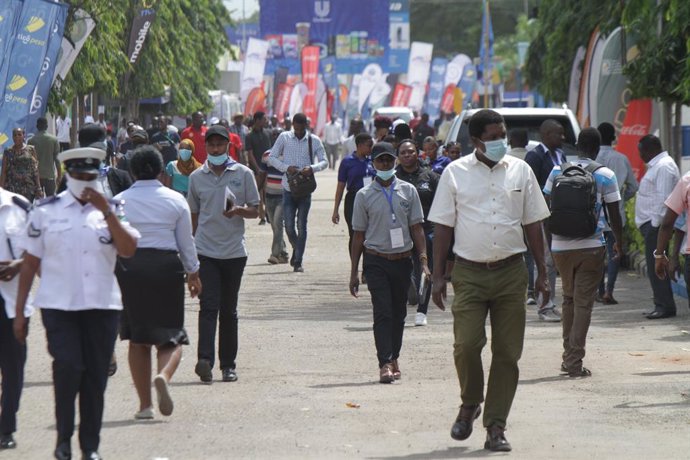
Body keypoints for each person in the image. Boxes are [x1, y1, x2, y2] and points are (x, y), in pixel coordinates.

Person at [428, 109, 551, 452]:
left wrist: (542, 271)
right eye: (494, 135)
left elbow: (534, 224)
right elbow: (442, 227)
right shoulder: (455, 173)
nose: (501, 141)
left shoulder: (521, 170)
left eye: (503, 134)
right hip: (468, 272)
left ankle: (496, 424)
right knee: (466, 345)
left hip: (512, 272)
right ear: (476, 140)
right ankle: (470, 402)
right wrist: (438, 277)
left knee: (507, 353)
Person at [13, 146, 139, 460]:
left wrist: (107, 212)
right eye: (79, 176)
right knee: (68, 368)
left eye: (90, 176)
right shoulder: (45, 210)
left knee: (95, 376)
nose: (85, 183)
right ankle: (63, 441)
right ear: (68, 176)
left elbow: (128, 249)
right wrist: (19, 312)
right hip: (59, 306)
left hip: (101, 306)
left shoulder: (114, 207)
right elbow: (29, 263)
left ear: (98, 176)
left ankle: (90, 447)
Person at [114, 146, 201, 420]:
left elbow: (111, 242)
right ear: (162, 172)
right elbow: (186, 243)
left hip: (130, 268)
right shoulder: (176, 200)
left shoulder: (119, 201)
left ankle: (144, 406)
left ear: (132, 172)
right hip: (166, 267)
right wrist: (194, 274)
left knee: (137, 340)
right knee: (171, 336)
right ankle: (163, 375)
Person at [543, 128, 623, 377]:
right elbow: (615, 214)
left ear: (577, 146)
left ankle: (568, 356)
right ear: (598, 148)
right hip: (591, 246)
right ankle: (574, 362)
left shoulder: (557, 171)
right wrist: (619, 241)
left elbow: (546, 209)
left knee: (568, 299)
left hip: (560, 247)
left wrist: (551, 243)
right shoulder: (606, 175)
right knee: (583, 304)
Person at [349, 142, 429, 383]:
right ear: (373, 163)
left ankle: (394, 356)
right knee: (382, 312)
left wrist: (423, 260)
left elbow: (417, 228)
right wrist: (354, 271)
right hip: (376, 261)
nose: (385, 164)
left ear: (394, 161)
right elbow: (358, 235)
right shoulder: (363, 195)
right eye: (380, 160)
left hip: (403, 260)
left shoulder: (408, 190)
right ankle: (384, 362)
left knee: (399, 313)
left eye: (388, 160)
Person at [187, 125, 260, 384]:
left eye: (220, 145)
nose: (216, 149)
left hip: (234, 253)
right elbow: (193, 218)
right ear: (205, 147)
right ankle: (205, 360)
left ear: (228, 146)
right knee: (208, 306)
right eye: (212, 145)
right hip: (205, 250)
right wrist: (190, 257)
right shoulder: (197, 177)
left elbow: (256, 210)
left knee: (228, 310)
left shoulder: (243, 173)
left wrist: (239, 210)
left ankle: (228, 365)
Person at [268, 113, 328, 272]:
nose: (299, 131)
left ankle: (298, 261)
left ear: (306, 126)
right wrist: (286, 167)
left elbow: (324, 161)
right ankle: (297, 247)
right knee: (288, 226)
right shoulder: (284, 137)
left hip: (305, 189)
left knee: (302, 225)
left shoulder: (313, 140)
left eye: (302, 129)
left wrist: (312, 168)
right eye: (297, 128)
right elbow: (272, 158)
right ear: (293, 125)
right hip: (288, 188)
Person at [525, 119, 566, 322]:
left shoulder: (560, 154)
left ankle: (551, 302)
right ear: (546, 135)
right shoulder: (535, 156)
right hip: (541, 216)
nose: (563, 137)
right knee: (545, 261)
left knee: (555, 261)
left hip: (558, 216)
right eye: (559, 134)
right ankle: (543, 305)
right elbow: (530, 187)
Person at [635, 134, 680, 319]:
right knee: (656, 268)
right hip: (653, 227)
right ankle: (660, 303)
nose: (640, 155)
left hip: (657, 227)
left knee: (658, 267)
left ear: (650, 149)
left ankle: (665, 306)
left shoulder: (663, 166)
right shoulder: (658, 166)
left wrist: (655, 226)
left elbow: (664, 201)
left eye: (641, 151)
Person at [0, 187, 32, 450]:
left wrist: (18, 265)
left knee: (13, 367)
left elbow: (38, 248)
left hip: (12, 302)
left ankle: (6, 425)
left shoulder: (17, 206)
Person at [395, 139, 439, 326]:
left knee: (425, 269)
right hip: (400, 233)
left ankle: (422, 310)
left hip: (427, 231)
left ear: (417, 153)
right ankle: (403, 306)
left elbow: (442, 204)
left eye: (411, 152)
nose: (407, 155)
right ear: (398, 156)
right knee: (403, 272)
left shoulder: (430, 177)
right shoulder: (393, 178)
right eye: (403, 152)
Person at [595, 122, 639, 304]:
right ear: (614, 138)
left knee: (597, 254)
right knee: (615, 252)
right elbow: (633, 187)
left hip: (595, 215)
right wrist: (621, 198)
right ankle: (609, 291)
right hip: (615, 214)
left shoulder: (591, 158)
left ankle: (599, 291)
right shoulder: (621, 159)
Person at [333, 133, 375, 259]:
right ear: (360, 146)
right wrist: (335, 210)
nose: (371, 148)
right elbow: (340, 186)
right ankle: (354, 266)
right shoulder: (347, 162)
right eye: (369, 146)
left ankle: (367, 269)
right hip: (353, 200)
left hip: (370, 200)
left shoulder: (372, 161)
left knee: (369, 234)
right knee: (355, 233)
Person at [245, 112, 273, 225]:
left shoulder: (268, 133)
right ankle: (262, 217)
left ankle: (268, 213)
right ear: (257, 120)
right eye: (263, 119)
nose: (265, 121)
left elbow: (272, 151)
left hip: (269, 169)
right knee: (259, 193)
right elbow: (250, 154)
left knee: (268, 192)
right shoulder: (249, 136)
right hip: (256, 170)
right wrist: (257, 169)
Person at [0, 128, 43, 202]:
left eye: (19, 135)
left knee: (27, 211)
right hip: (11, 189)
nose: (17, 137)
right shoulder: (7, 151)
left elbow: (35, 170)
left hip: (28, 189)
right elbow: (3, 172)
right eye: (15, 135)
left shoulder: (31, 150)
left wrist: (38, 188)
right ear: (12, 137)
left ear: (24, 136)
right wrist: (1, 190)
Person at [263, 147, 289, 265]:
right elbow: (262, 175)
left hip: (283, 196)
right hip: (269, 196)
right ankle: (283, 254)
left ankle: (274, 254)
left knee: (278, 225)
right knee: (274, 226)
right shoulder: (266, 155)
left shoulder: (291, 155)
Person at [28, 117, 61, 196]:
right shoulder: (54, 140)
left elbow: (29, 161)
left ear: (37, 126)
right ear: (47, 126)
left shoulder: (31, 141)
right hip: (50, 176)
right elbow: (57, 160)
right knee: (50, 202)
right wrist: (59, 176)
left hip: (36, 178)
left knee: (37, 202)